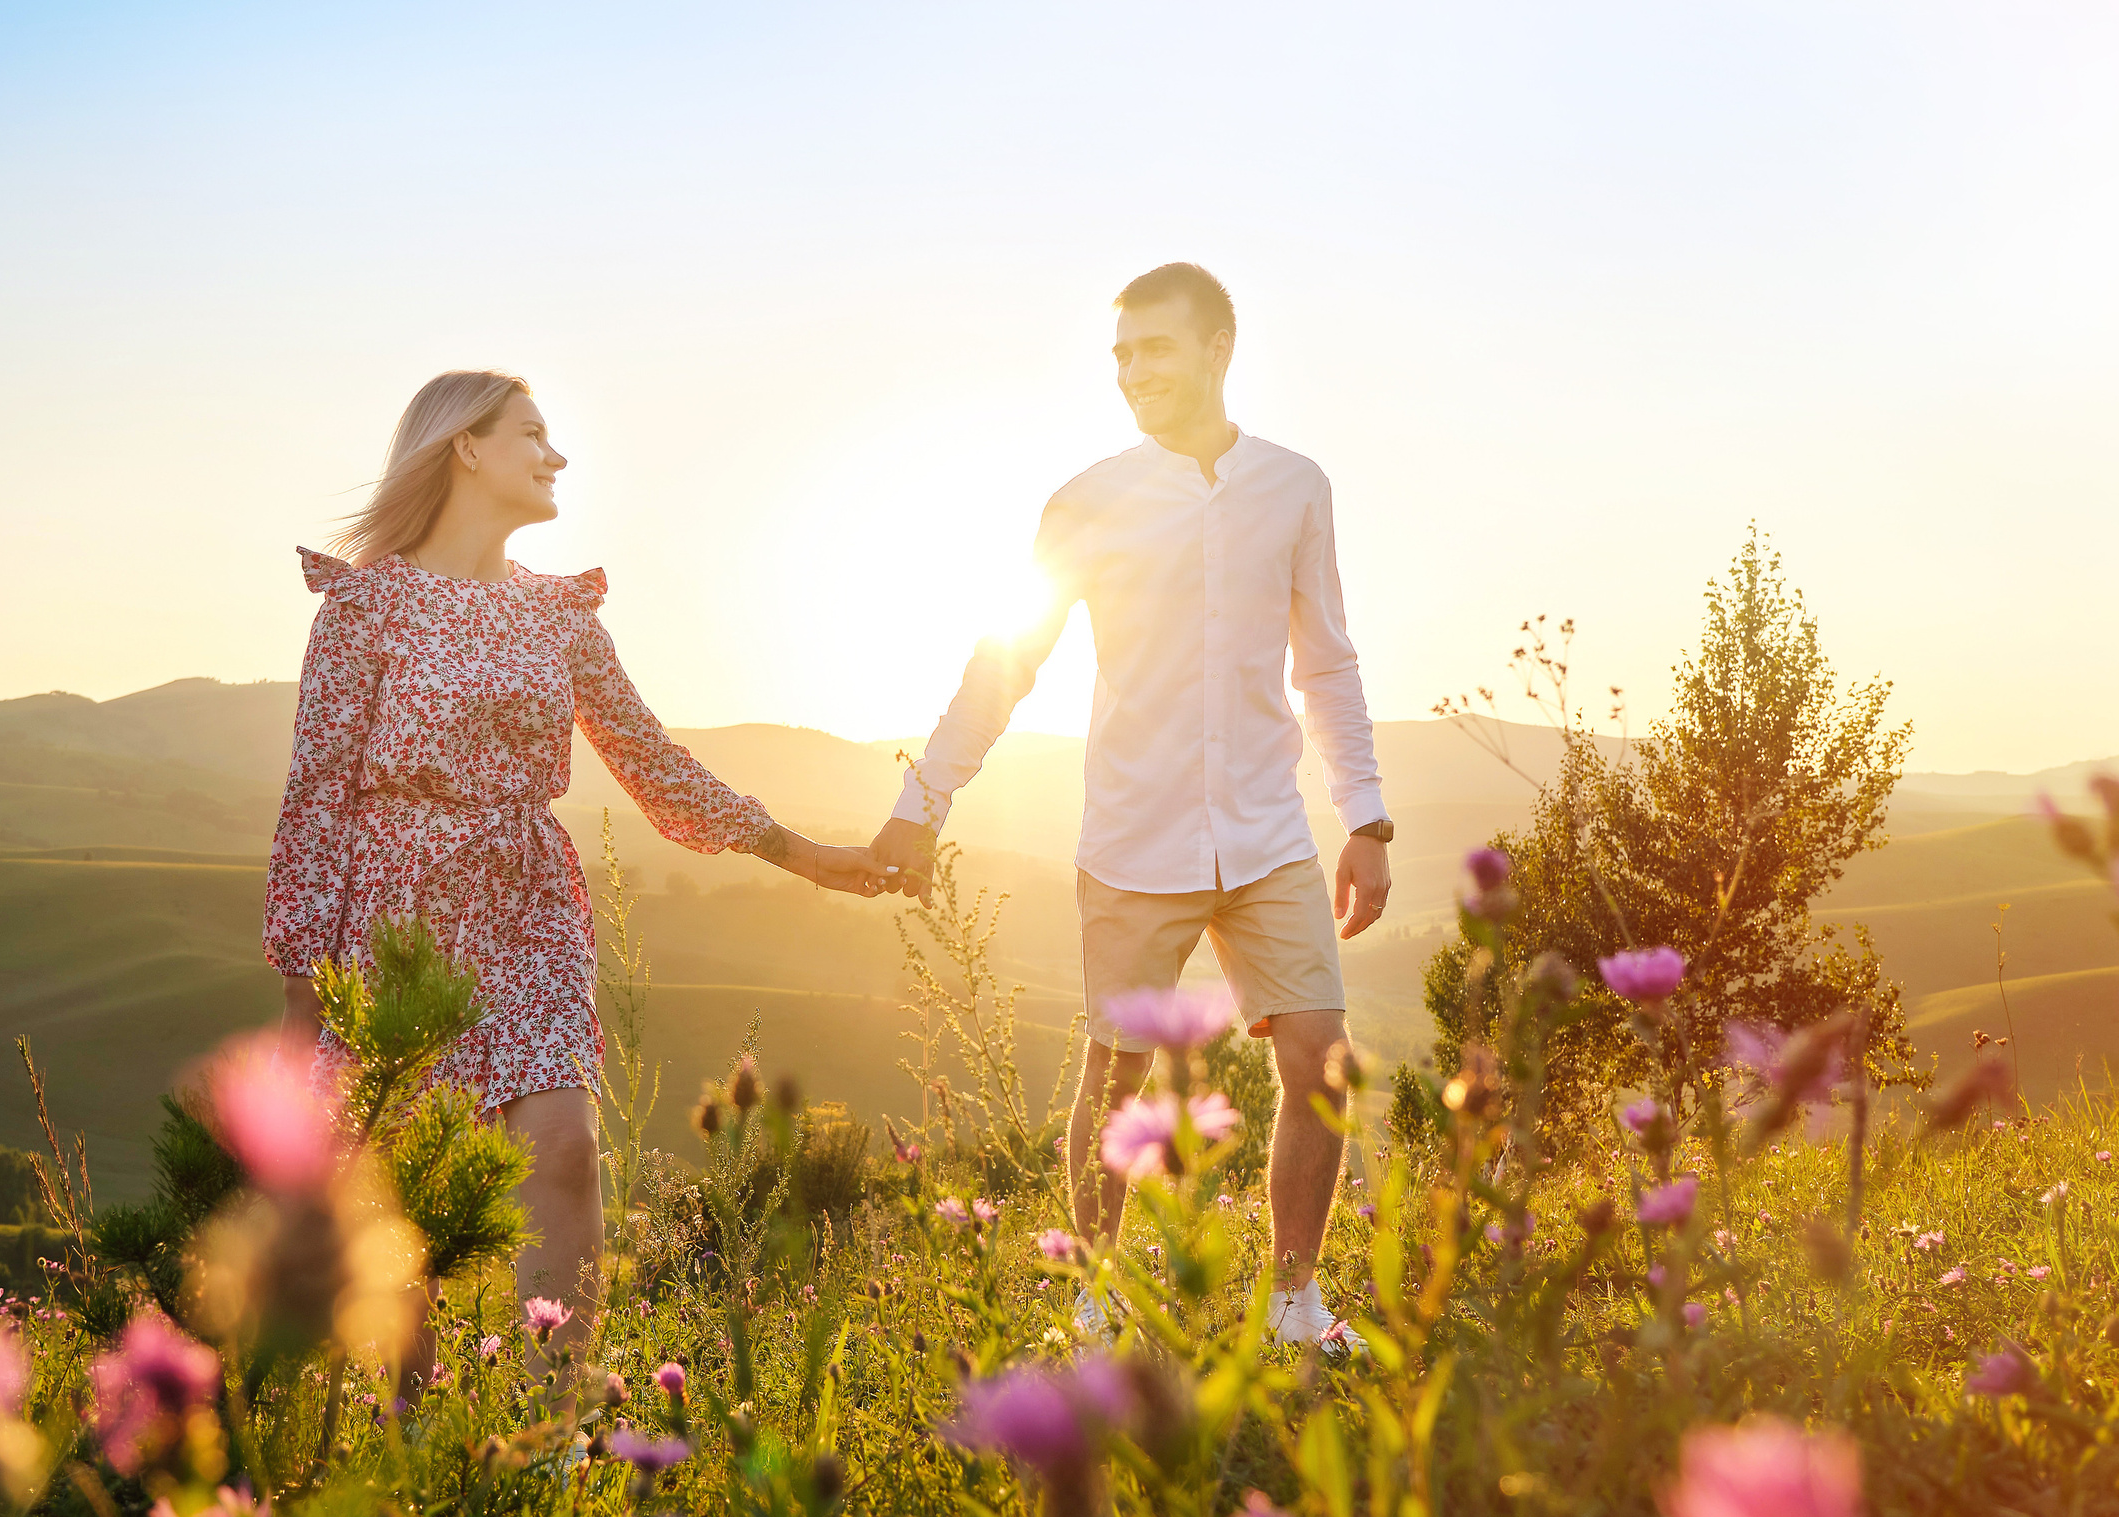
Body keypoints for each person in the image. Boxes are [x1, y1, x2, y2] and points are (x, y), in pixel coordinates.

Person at [266, 370, 881, 1366]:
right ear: (465, 447)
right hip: (394, 913)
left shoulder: (559, 617)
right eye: (533, 434)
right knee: (398, 1195)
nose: (557, 456)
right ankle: (413, 1444)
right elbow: (316, 799)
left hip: (528, 905)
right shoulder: (363, 609)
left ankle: (557, 1439)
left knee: (561, 1150)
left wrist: (801, 854)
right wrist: (303, 989)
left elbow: (652, 760)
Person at [870, 265, 1392, 1350]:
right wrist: (924, 800)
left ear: (1217, 350)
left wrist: (1368, 817)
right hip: (1133, 836)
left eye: (1154, 348)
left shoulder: (1295, 487)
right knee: (1116, 1076)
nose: (1133, 372)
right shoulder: (1087, 500)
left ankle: (1295, 1302)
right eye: (1120, 355)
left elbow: (1326, 663)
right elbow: (1006, 660)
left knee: (1318, 1061)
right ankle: (1095, 1301)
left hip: (1267, 832)